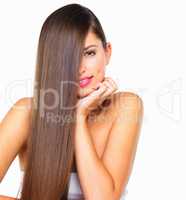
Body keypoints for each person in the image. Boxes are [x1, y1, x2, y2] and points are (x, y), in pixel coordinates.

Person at [0, 3, 143, 200]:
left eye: (89, 53)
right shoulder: (26, 112)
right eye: (68, 58)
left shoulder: (126, 106)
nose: (80, 68)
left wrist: (79, 117)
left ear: (107, 52)